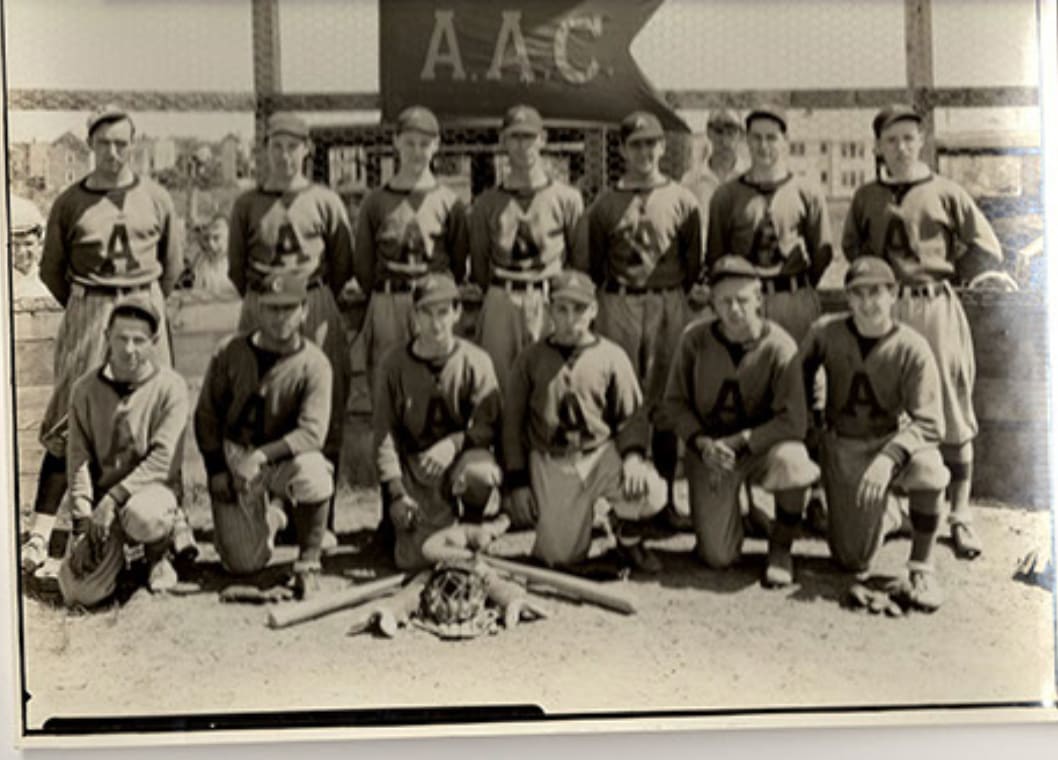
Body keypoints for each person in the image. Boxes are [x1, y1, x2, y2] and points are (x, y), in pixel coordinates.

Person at [23, 105, 192, 574]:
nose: (113, 152)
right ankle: (40, 532)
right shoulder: (70, 201)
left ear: (132, 145)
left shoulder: (156, 196)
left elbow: (173, 265)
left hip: (143, 304)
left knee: (160, 411)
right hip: (91, 306)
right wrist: (86, 307)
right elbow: (51, 269)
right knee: (67, 417)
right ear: (91, 144)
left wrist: (146, 302)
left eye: (122, 143)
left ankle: (172, 524)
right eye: (104, 143)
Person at [841, 104, 1007, 560]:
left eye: (909, 138)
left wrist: (950, 275)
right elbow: (853, 250)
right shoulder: (866, 196)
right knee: (887, 404)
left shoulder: (945, 191)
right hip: (886, 312)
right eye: (891, 139)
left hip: (934, 304)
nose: (901, 147)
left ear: (921, 141)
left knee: (951, 406)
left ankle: (959, 512)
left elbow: (987, 247)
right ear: (877, 146)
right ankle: (896, 508)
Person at [227, 112, 353, 547]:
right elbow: (235, 268)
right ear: (264, 151)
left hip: (312, 302)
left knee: (322, 406)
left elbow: (342, 262)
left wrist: (309, 299)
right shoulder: (247, 203)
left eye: (293, 147)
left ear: (307, 151)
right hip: (261, 301)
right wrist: (263, 304)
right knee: (258, 406)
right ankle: (265, 513)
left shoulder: (324, 200)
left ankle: (321, 518)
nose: (285, 156)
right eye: (276, 146)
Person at [573, 110, 703, 531]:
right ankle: (615, 502)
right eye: (636, 145)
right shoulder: (605, 205)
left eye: (652, 144)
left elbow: (692, 261)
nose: (644, 153)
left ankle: (663, 496)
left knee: (665, 399)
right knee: (620, 400)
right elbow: (591, 265)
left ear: (663, 148)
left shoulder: (682, 200)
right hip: (619, 302)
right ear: (622, 150)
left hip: (668, 301)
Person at [799, 257, 950, 610]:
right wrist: (813, 420)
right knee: (853, 562)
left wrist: (889, 457)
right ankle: (892, 514)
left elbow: (931, 422)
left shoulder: (912, 346)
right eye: (858, 294)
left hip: (888, 442)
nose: (867, 304)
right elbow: (795, 376)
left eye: (876, 293)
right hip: (844, 445)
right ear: (847, 298)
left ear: (893, 294)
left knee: (930, 468)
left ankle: (921, 568)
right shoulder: (826, 332)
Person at [662, 256, 818, 586]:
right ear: (713, 303)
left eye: (743, 300)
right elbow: (674, 405)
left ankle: (781, 544)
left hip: (759, 449)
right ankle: (737, 515)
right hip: (711, 452)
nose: (735, 310)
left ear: (759, 299)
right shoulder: (694, 340)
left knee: (794, 461)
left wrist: (743, 440)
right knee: (719, 557)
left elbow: (794, 422)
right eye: (725, 301)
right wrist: (700, 442)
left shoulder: (780, 346)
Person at [503, 270, 667, 572]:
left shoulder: (611, 355)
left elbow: (633, 416)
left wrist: (633, 458)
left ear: (594, 310)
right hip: (552, 460)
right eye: (562, 309)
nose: (570, 318)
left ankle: (626, 534)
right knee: (558, 559)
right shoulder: (531, 358)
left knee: (651, 492)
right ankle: (577, 523)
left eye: (579, 309)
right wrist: (517, 481)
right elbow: (511, 425)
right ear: (549, 309)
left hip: (598, 456)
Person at [194, 271, 334, 599]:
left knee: (315, 472)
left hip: (281, 460)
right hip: (235, 455)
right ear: (257, 308)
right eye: (272, 308)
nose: (280, 317)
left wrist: (261, 457)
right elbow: (206, 416)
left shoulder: (315, 363)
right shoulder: (229, 351)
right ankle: (273, 518)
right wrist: (216, 469)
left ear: (305, 310)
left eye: (288, 308)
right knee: (243, 564)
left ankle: (309, 562)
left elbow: (312, 434)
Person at [57, 297, 189, 606]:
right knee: (77, 592)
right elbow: (78, 460)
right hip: (104, 509)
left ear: (154, 342)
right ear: (106, 338)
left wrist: (112, 501)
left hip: (150, 494)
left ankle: (159, 555)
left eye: (139, 340)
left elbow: (162, 461)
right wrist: (81, 523)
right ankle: (118, 564)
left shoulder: (171, 387)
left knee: (144, 515)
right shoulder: (84, 390)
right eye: (122, 338)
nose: (129, 349)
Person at [373, 273, 504, 570]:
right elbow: (384, 436)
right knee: (416, 561)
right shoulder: (393, 364)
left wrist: (455, 443)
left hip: (456, 462)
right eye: (427, 313)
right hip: (415, 467)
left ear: (457, 313)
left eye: (444, 312)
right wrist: (395, 493)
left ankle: (470, 527)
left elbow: (489, 426)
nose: (436, 323)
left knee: (483, 471)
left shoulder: (476, 360)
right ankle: (398, 528)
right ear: (414, 315)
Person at [468, 104, 584, 392]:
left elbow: (580, 260)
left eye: (529, 137)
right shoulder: (487, 203)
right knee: (495, 387)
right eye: (515, 137)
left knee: (550, 385)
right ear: (503, 141)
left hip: (548, 298)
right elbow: (480, 264)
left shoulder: (566, 198)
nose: (523, 146)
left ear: (542, 139)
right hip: (502, 297)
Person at [354, 105, 470, 395]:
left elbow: (457, 262)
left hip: (432, 302)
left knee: (434, 381)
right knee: (388, 382)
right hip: (390, 299)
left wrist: (438, 292)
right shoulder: (376, 201)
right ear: (396, 143)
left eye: (424, 144)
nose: (417, 151)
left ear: (437, 146)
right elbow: (364, 265)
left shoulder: (448, 202)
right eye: (409, 143)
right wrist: (384, 296)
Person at [707, 105, 833, 344]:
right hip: (744, 301)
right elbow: (716, 256)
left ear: (785, 140)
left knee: (796, 373)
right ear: (746, 140)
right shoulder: (726, 195)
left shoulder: (807, 191)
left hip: (792, 299)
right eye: (756, 137)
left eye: (771, 138)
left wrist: (799, 286)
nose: (763, 146)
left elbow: (822, 252)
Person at [680, 108, 749, 238]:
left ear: (741, 135)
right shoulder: (690, 181)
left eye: (731, 132)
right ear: (709, 133)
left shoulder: (750, 178)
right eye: (718, 131)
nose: (724, 140)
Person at [8, 194, 52, 300]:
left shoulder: (49, 283)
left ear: (39, 243)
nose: (21, 251)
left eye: (28, 244)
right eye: (15, 244)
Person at [190, 215, 237, 297]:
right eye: (206, 238)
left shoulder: (238, 262)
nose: (210, 244)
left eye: (216, 238)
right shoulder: (201, 262)